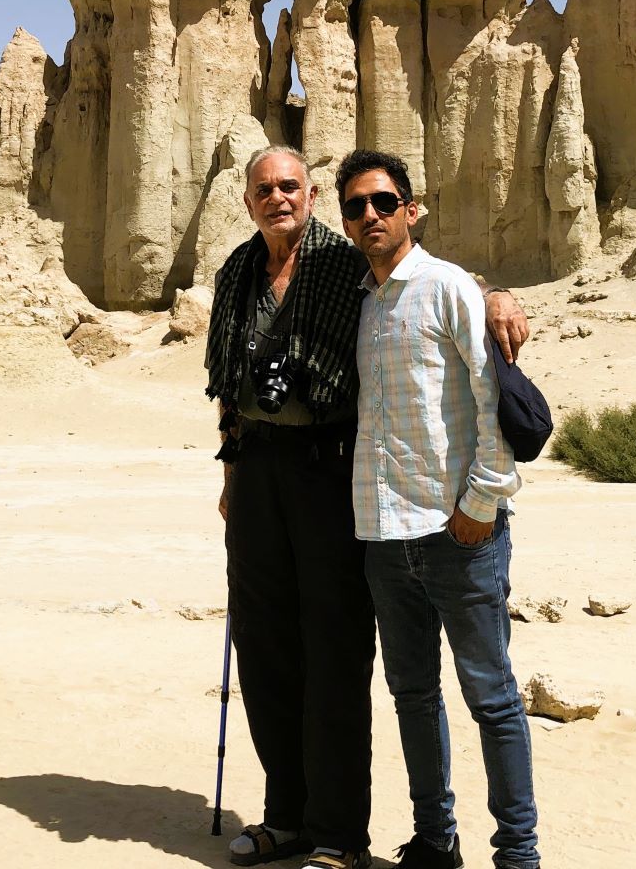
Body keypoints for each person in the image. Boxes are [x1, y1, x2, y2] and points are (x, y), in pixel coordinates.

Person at [205, 145, 528, 869]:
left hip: (329, 472)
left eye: (291, 186)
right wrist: (229, 463)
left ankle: (337, 834)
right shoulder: (236, 272)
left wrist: (496, 296)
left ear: (311, 195)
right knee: (264, 650)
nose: (278, 198)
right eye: (264, 189)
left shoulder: (343, 256)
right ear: (248, 199)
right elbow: (226, 373)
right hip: (255, 472)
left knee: (334, 651)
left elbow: (416, 273)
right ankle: (284, 814)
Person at [336, 147, 539, 869]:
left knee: (492, 698)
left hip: (460, 532)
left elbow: (492, 402)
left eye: (384, 202)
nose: (370, 216)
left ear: (411, 210)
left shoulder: (451, 288)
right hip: (385, 536)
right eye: (356, 206)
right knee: (414, 697)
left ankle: (518, 855)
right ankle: (434, 841)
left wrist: (482, 503)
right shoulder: (356, 302)